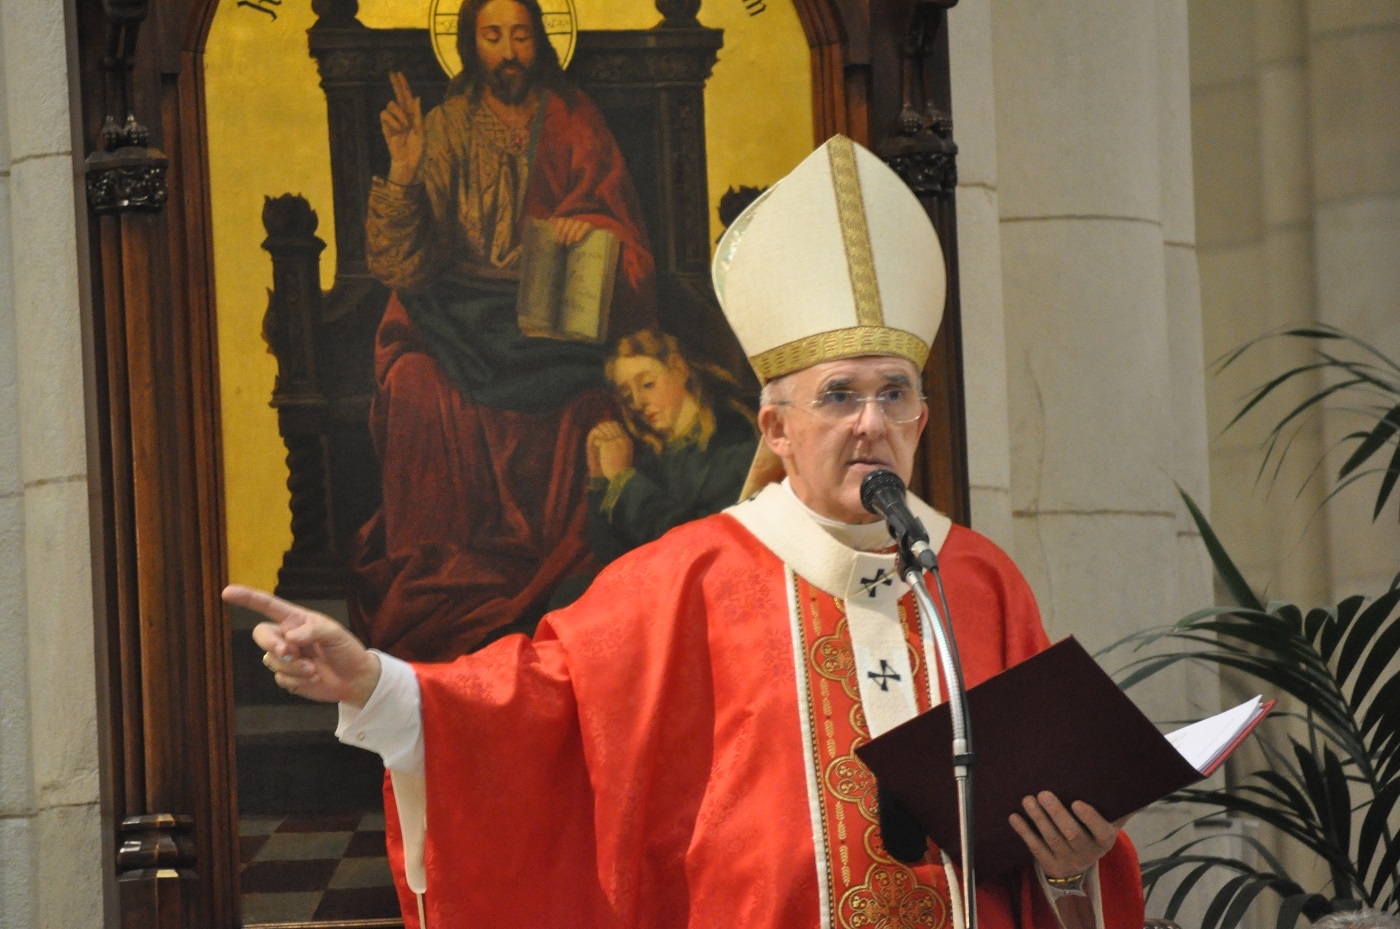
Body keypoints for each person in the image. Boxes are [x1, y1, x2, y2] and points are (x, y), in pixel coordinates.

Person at [232, 136, 1145, 928]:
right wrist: (377, 681)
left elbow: (1053, 834)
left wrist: (1072, 863)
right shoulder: (689, 576)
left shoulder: (977, 580)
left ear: (922, 420)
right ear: (776, 429)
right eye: (838, 395)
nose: (871, 422)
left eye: (894, 394)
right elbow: (530, 710)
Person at [350, 0, 657, 661]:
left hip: (546, 318)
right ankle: (440, 584)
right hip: (452, 311)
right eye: (493, 36)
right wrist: (404, 171)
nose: (509, 51)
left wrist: (587, 229)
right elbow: (401, 266)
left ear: (540, 40)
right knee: (413, 386)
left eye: (520, 35)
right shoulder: (446, 125)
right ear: (470, 43)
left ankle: (568, 594)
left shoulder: (574, 118)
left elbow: (621, 226)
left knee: (591, 404)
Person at [584, 329, 759, 565]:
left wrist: (624, 478)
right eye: (627, 396)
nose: (637, 403)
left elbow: (693, 543)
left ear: (679, 369)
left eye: (647, 384)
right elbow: (611, 555)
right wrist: (599, 479)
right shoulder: (656, 454)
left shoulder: (733, 437)